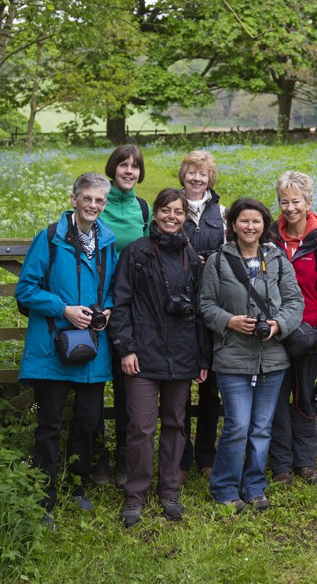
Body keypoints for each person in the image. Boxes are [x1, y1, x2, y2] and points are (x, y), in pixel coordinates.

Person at [16, 172, 116, 528]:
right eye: (87, 198)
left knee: (88, 423)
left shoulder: (108, 242)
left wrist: (105, 311)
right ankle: (44, 496)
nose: (93, 206)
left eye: (99, 201)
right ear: (74, 199)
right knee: (50, 425)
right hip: (51, 348)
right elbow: (25, 290)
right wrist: (64, 309)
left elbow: (112, 292)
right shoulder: (49, 238)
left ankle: (77, 486)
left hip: (91, 348)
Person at [108, 188, 210, 527]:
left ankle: (169, 491)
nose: (172, 217)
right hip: (142, 354)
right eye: (165, 211)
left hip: (182, 354)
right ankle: (135, 495)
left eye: (178, 212)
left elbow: (200, 311)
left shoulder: (191, 256)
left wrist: (202, 358)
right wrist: (126, 348)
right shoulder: (137, 253)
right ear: (155, 213)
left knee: (176, 424)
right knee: (140, 426)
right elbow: (120, 303)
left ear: (185, 217)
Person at [199, 198, 304, 511]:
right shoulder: (218, 261)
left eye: (256, 221)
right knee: (238, 425)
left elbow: (294, 303)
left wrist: (277, 325)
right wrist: (230, 321)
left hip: (272, 358)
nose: (249, 226)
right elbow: (205, 305)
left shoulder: (278, 259)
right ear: (233, 224)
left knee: (261, 428)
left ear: (264, 225)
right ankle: (224, 488)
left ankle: (255, 487)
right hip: (232, 357)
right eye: (243, 221)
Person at [267, 171, 317, 486]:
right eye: (284, 201)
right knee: (277, 398)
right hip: (274, 331)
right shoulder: (268, 238)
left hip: (309, 333)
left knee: (306, 398)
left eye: (296, 201)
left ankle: (306, 461)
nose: (290, 207)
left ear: (308, 201)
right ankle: (282, 464)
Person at [93, 144, 150, 487]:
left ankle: (126, 459)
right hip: (96, 308)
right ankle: (96, 456)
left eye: (135, 167)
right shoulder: (98, 204)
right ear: (112, 169)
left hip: (131, 310)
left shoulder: (142, 208)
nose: (129, 171)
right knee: (94, 384)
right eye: (123, 165)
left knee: (129, 384)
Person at [178, 150, 227, 481]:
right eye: (192, 172)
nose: (197, 178)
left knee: (211, 388)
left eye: (203, 173)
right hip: (178, 307)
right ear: (183, 175)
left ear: (211, 178)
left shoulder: (222, 213)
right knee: (179, 385)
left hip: (211, 305)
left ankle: (207, 455)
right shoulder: (170, 207)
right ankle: (181, 459)